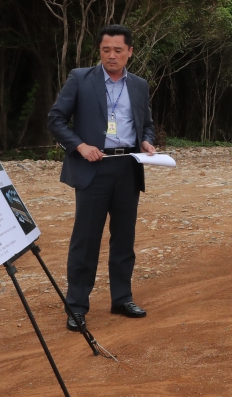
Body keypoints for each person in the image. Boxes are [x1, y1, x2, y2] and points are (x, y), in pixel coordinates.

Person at [46, 24, 156, 333]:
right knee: (86, 240)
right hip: (93, 168)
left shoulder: (139, 85)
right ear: (100, 51)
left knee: (124, 238)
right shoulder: (81, 78)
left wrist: (147, 142)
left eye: (118, 50)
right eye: (106, 50)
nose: (111, 56)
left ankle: (122, 298)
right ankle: (77, 306)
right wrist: (80, 146)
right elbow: (55, 119)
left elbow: (146, 124)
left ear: (130, 52)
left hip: (127, 168)